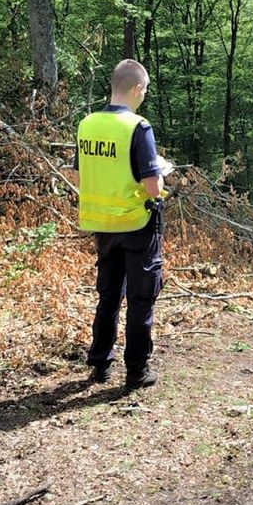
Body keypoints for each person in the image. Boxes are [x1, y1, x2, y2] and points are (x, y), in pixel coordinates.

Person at [71, 59, 166, 392]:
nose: (145, 96)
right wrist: (162, 177)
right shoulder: (138, 127)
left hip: (102, 224)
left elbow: (81, 176)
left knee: (108, 296)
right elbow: (152, 187)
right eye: (146, 90)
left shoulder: (87, 125)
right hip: (137, 223)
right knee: (141, 299)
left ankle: (99, 363)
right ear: (137, 89)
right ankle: (137, 371)